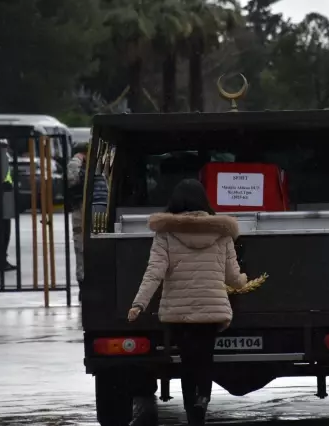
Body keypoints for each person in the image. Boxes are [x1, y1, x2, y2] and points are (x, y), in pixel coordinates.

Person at [128, 179, 247, 426]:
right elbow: (232, 276)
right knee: (205, 358)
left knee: (188, 361)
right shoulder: (222, 233)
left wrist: (139, 304)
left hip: (178, 312)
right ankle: (203, 399)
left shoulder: (166, 234)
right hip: (212, 310)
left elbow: (154, 272)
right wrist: (243, 282)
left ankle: (193, 414)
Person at [67, 140, 108, 301]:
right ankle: (85, 286)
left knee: (99, 248)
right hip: (83, 210)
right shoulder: (78, 165)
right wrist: (78, 159)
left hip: (99, 210)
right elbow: (72, 179)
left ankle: (95, 284)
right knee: (82, 249)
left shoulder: (99, 164)